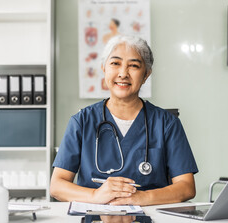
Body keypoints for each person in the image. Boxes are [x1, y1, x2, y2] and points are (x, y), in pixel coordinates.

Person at [51, 35, 198, 206]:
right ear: (104, 68)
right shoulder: (82, 121)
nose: (123, 73)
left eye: (134, 66)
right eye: (115, 63)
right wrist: (94, 195)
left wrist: (141, 198)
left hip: (151, 218)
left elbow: (186, 187)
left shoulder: (166, 123)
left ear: (146, 75)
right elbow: (57, 186)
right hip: (94, 216)